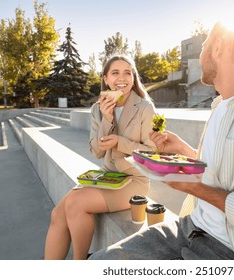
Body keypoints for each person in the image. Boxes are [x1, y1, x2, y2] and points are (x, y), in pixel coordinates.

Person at [89, 20, 234, 260]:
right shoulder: (221, 105)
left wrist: (193, 187)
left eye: (204, 45)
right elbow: (222, 173)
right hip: (191, 228)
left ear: (217, 47)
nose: (201, 53)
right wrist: (182, 150)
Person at [44, 55, 157, 259]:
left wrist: (120, 142)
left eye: (127, 73)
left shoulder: (144, 108)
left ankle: (80, 263)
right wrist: (107, 119)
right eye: (115, 73)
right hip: (107, 176)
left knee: (75, 203)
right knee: (57, 214)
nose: (122, 78)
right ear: (105, 78)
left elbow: (151, 153)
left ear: (133, 78)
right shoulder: (98, 108)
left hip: (134, 180)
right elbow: (97, 151)